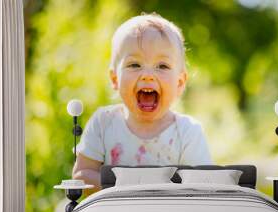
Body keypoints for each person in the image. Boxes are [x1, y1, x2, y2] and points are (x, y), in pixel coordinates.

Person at [72, 13, 212, 192]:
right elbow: (82, 175)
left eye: (162, 66)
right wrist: (127, 187)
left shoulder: (187, 132)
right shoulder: (103, 124)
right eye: (134, 65)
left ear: (179, 83)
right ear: (115, 79)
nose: (147, 74)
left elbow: (203, 187)